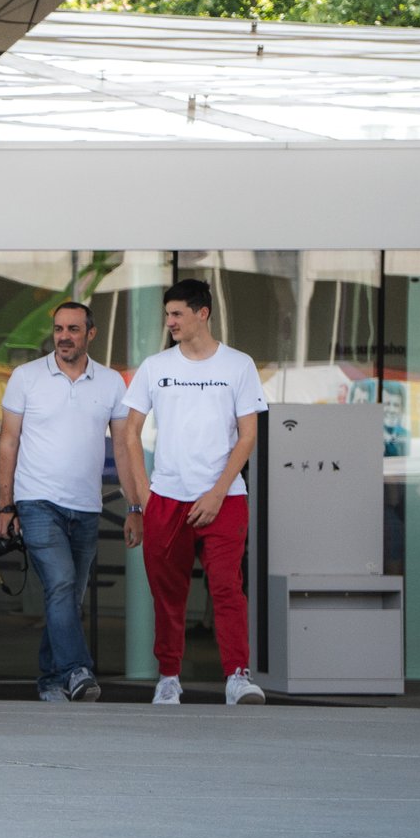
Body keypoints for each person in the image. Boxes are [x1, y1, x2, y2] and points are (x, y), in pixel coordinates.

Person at [119, 278, 268, 705]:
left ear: (202, 313)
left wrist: (218, 493)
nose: (170, 322)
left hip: (225, 498)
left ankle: (237, 676)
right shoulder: (155, 366)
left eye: (177, 314)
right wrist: (145, 499)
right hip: (166, 499)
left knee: (227, 588)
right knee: (168, 595)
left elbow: (248, 435)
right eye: (167, 315)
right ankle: (168, 677)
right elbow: (130, 432)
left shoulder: (238, 365)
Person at [0, 302, 132, 703]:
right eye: (58, 329)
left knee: (67, 596)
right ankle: (77, 670)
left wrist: (135, 506)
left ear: (90, 333)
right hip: (37, 501)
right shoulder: (26, 377)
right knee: (60, 583)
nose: (64, 336)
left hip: (86, 506)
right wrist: (6, 505)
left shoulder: (111, 382)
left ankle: (52, 681)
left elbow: (123, 447)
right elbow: (8, 442)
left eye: (73, 329)